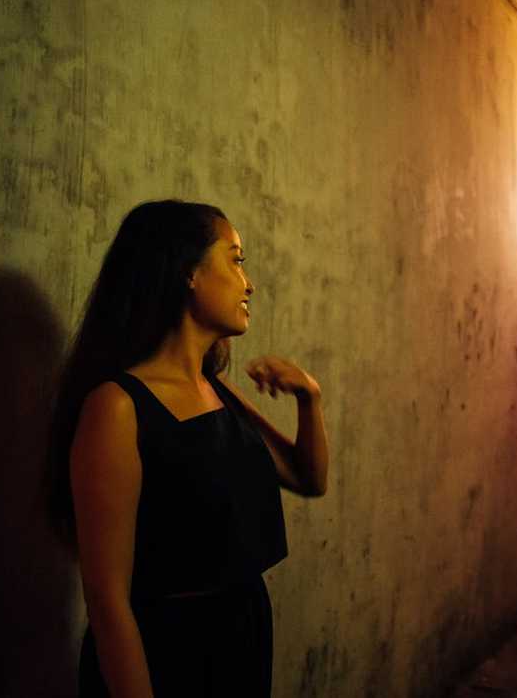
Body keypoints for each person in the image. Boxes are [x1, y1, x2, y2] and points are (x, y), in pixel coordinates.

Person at [46, 200, 328, 697]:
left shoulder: (215, 390)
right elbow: (109, 603)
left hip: (240, 645)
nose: (249, 282)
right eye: (236, 259)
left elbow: (309, 479)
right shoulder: (116, 408)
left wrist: (310, 398)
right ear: (187, 272)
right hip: (169, 657)